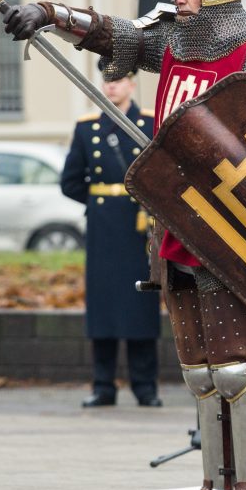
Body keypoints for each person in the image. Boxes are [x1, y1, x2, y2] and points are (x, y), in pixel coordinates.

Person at [2, 0, 246, 490]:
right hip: (174, 224)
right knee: (200, 371)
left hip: (231, 227)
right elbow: (114, 34)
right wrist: (47, 13)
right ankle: (216, 482)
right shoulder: (172, 43)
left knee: (236, 369)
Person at [60, 63, 160, 408]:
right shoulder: (87, 128)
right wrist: (97, 202)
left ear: (132, 85)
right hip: (104, 228)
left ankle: (145, 387)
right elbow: (70, 181)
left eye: (118, 81)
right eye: (107, 81)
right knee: (103, 306)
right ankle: (103, 385)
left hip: (139, 225)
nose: (112, 87)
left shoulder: (148, 123)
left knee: (141, 305)